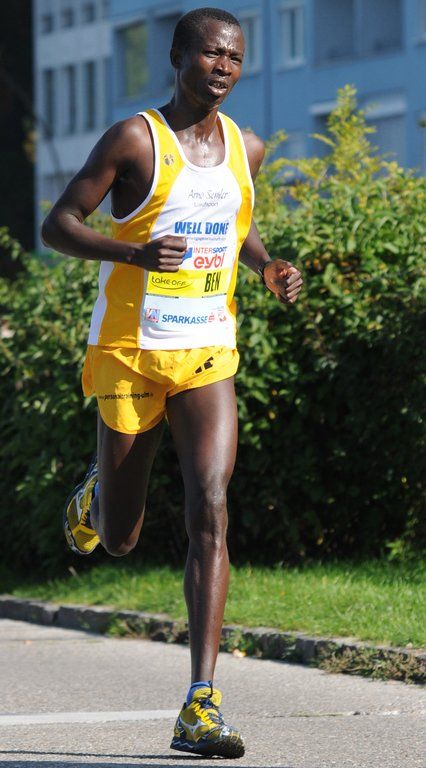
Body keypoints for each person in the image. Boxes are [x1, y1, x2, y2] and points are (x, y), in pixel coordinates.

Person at [42, 7, 303, 759]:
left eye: (236, 58)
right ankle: (98, 494)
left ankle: (200, 702)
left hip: (207, 350)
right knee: (120, 539)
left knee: (210, 506)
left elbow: (235, 221)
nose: (224, 68)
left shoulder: (247, 147)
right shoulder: (134, 140)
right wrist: (130, 253)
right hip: (130, 351)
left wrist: (267, 266)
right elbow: (58, 224)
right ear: (179, 55)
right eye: (212, 54)